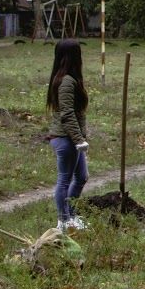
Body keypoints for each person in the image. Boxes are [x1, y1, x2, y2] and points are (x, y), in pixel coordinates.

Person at [44, 38, 90, 231]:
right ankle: (63, 220)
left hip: (71, 138)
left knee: (81, 176)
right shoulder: (66, 82)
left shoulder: (68, 79)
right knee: (64, 179)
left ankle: (71, 215)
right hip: (65, 139)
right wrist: (79, 140)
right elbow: (67, 113)